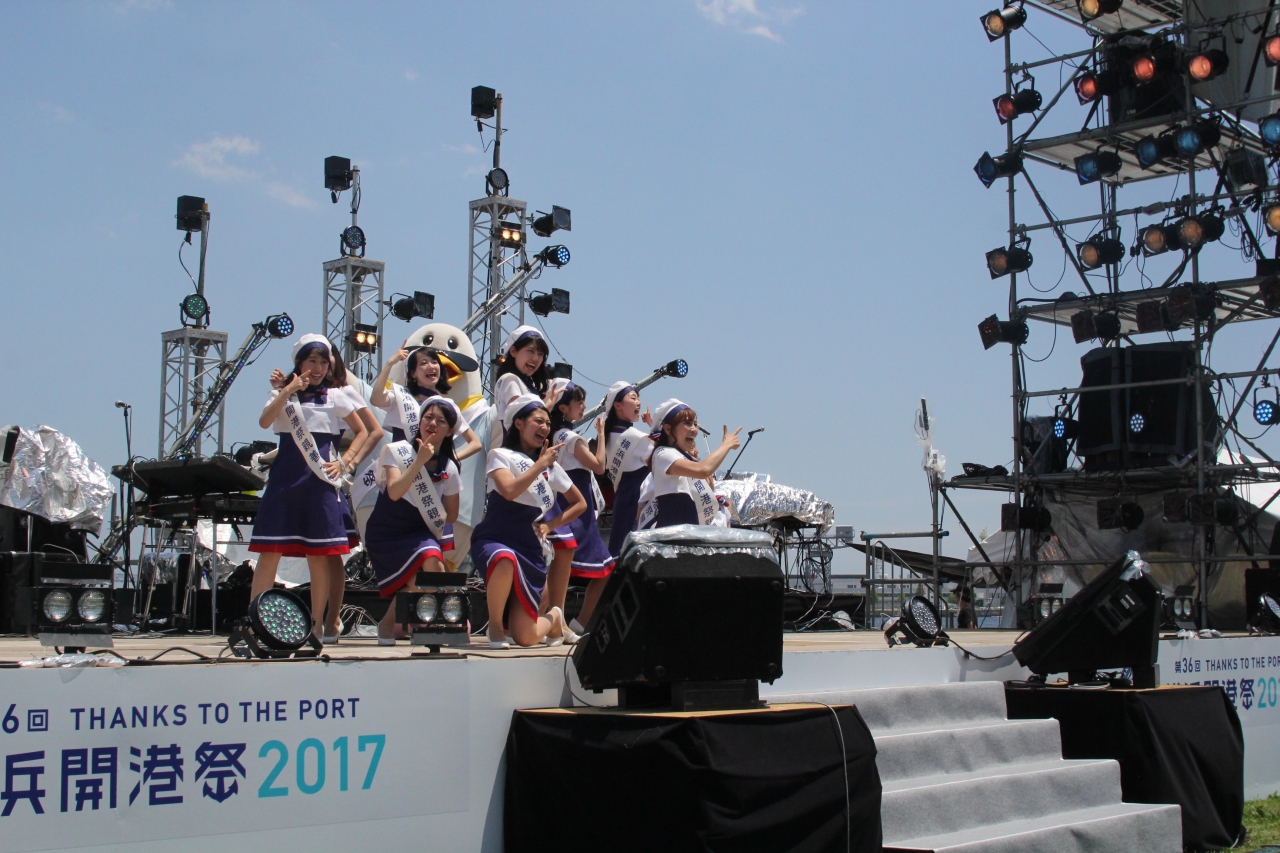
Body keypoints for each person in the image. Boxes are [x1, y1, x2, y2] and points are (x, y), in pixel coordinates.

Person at [249, 334, 368, 640]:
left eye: (323, 362)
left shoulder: (336, 396)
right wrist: (288, 390)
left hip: (319, 484)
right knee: (269, 552)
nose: (317, 368)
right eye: (311, 361)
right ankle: (256, 623)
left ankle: (316, 626)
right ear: (299, 362)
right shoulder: (282, 395)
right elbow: (264, 421)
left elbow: (364, 431)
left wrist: (345, 462)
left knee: (319, 555)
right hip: (284, 482)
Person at [471, 394, 586, 648]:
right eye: (538, 421)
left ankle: (555, 616)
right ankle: (495, 628)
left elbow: (580, 503)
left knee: (526, 637)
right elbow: (509, 491)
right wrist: (539, 465)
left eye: (548, 423)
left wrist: (550, 525)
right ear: (519, 423)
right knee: (503, 558)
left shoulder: (551, 467)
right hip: (495, 538)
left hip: (529, 548)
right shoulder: (500, 455)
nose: (545, 427)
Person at [363, 397, 461, 645]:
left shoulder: (450, 467)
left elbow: (451, 516)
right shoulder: (397, 452)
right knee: (423, 581)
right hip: (387, 531)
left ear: (450, 431)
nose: (432, 424)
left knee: (434, 570)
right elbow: (395, 492)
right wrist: (419, 462)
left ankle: (395, 624)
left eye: (440, 421)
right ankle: (399, 624)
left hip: (419, 532)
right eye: (428, 417)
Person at [540, 379, 613, 634]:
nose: (583, 406)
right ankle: (571, 622)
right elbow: (600, 466)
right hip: (576, 510)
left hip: (564, 505)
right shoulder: (571, 437)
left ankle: (548, 621)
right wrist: (601, 435)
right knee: (601, 569)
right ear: (563, 408)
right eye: (578, 402)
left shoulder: (554, 435)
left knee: (558, 569)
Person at [643, 399, 741, 529]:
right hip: (673, 533)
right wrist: (726, 445)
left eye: (695, 424)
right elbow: (703, 470)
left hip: (688, 531)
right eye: (688, 423)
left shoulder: (682, 457)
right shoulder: (663, 453)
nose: (694, 429)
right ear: (667, 428)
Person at [602, 381, 653, 557]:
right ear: (618, 405)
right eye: (633, 398)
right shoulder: (636, 438)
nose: (638, 402)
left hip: (623, 498)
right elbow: (665, 459)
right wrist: (654, 426)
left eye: (638, 398)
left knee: (620, 549)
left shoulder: (608, 434)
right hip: (638, 500)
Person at [492, 325, 550, 434]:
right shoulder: (510, 379)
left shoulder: (526, 384)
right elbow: (521, 416)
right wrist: (550, 404)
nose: (536, 358)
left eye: (540, 354)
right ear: (513, 351)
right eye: (530, 351)